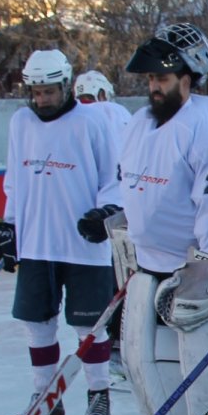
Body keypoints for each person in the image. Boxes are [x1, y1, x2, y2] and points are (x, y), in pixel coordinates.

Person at [91, 22, 208, 415]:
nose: (153, 87)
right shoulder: (139, 124)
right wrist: (118, 221)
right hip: (146, 269)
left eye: (161, 78)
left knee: (207, 372)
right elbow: (130, 186)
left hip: (193, 270)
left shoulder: (204, 125)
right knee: (147, 366)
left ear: (188, 77)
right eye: (150, 79)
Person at [0, 48, 123, 415]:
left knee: (90, 326)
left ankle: (99, 393)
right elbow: (14, 179)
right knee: (37, 325)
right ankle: (46, 399)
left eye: (49, 91)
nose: (42, 99)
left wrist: (105, 213)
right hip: (36, 243)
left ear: (66, 86)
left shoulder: (92, 121)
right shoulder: (21, 122)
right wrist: (8, 228)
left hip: (84, 245)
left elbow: (112, 177)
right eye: (36, 92)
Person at [75, 70, 135, 386]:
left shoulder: (74, 119)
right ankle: (121, 349)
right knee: (125, 281)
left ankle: (108, 351)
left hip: (92, 219)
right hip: (122, 211)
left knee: (106, 283)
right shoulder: (117, 113)